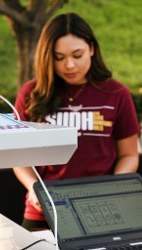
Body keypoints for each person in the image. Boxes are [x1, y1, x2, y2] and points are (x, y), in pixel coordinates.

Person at [13, 12, 140, 231]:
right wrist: (34, 188)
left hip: (101, 211)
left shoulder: (117, 94)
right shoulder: (31, 94)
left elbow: (128, 155)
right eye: (59, 57)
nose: (69, 65)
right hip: (44, 210)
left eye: (77, 55)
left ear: (91, 49)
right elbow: (18, 157)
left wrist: (113, 188)